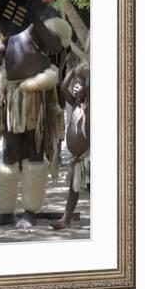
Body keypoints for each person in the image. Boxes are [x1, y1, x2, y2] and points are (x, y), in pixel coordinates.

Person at [0, 0, 72, 230]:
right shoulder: (8, 17)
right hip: (12, 94)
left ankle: (29, 211)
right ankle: (5, 210)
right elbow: (4, 47)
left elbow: (55, 47)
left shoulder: (48, 15)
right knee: (9, 151)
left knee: (34, 149)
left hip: (37, 95)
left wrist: (33, 17)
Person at [51, 63, 90, 229]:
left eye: (80, 84)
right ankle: (66, 220)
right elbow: (63, 87)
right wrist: (74, 72)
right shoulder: (75, 104)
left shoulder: (91, 106)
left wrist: (87, 76)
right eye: (76, 83)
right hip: (77, 159)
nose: (75, 87)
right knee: (73, 190)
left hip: (89, 156)